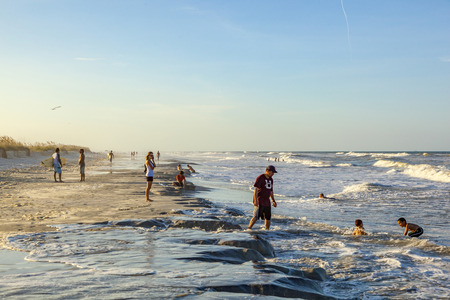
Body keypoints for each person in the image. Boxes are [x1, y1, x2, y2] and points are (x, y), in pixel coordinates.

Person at [248, 165, 278, 230]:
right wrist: (255, 200)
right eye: (272, 172)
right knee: (255, 216)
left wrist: (273, 201)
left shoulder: (271, 179)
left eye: (273, 173)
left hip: (267, 201)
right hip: (260, 200)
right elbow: (256, 190)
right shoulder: (260, 178)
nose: (273, 174)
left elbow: (271, 191)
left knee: (268, 217)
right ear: (267, 171)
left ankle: (267, 230)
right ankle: (249, 228)